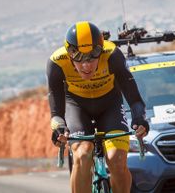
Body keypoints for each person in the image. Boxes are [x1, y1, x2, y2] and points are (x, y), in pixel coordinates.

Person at [46, 21, 149, 193]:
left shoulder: (112, 54)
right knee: (82, 154)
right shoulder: (57, 62)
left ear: (101, 50)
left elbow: (134, 98)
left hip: (110, 105)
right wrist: (59, 128)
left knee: (116, 159)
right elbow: (56, 112)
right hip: (76, 107)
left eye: (93, 55)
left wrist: (140, 118)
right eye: (78, 57)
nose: (86, 65)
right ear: (69, 54)